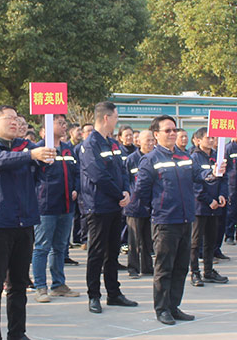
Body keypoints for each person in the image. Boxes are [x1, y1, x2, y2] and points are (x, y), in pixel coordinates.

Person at [0, 105, 54, 340]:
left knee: (19, 283)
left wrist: (45, 161)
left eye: (17, 119)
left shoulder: (25, 147)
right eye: (8, 118)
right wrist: (32, 156)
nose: (14, 122)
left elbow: (39, 175)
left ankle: (17, 334)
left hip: (25, 221)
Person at [133, 116, 201, 325]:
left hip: (185, 218)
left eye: (174, 130)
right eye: (167, 131)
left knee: (181, 266)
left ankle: (174, 306)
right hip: (165, 220)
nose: (172, 134)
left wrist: (214, 174)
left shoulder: (185, 156)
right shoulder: (150, 159)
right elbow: (142, 191)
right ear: (156, 134)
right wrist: (158, 207)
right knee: (164, 267)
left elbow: (198, 176)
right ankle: (161, 308)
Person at [78, 101, 137, 314]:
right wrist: (118, 193)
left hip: (115, 205)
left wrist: (126, 191)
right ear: (106, 118)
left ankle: (114, 293)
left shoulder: (112, 144)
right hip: (98, 206)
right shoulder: (90, 144)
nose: (116, 121)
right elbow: (97, 175)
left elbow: (122, 170)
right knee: (96, 252)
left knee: (112, 252)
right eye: (115, 117)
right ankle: (94, 295)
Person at [31, 114, 80, 302]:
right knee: (42, 247)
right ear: (48, 127)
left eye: (64, 123)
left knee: (60, 247)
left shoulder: (68, 149)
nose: (64, 126)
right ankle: (40, 287)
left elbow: (76, 172)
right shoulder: (39, 150)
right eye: (60, 123)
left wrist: (76, 188)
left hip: (67, 205)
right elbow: (32, 177)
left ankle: (58, 284)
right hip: (45, 206)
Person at [188, 128, 229, 286]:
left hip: (215, 205)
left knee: (211, 240)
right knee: (195, 241)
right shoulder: (195, 158)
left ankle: (209, 271)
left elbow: (223, 178)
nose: (211, 140)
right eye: (208, 138)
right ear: (198, 140)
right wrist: (207, 199)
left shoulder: (217, 156)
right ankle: (195, 272)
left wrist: (221, 195)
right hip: (200, 206)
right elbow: (195, 183)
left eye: (213, 137)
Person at [123, 130, 155, 279]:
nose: (150, 143)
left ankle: (148, 267)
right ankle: (133, 268)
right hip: (135, 205)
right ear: (139, 142)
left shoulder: (155, 158)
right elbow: (125, 180)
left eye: (152, 140)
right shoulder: (131, 159)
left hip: (151, 205)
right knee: (134, 240)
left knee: (148, 239)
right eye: (147, 140)